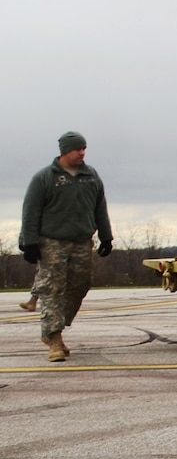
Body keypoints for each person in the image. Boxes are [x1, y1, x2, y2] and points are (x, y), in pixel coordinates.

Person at [18, 131, 112, 362]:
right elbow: (30, 211)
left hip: (82, 241)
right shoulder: (45, 178)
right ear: (64, 152)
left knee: (80, 285)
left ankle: (56, 327)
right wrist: (28, 242)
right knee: (52, 289)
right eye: (77, 149)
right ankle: (54, 339)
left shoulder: (91, 176)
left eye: (84, 148)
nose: (82, 153)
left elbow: (100, 207)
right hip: (51, 242)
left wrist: (106, 236)